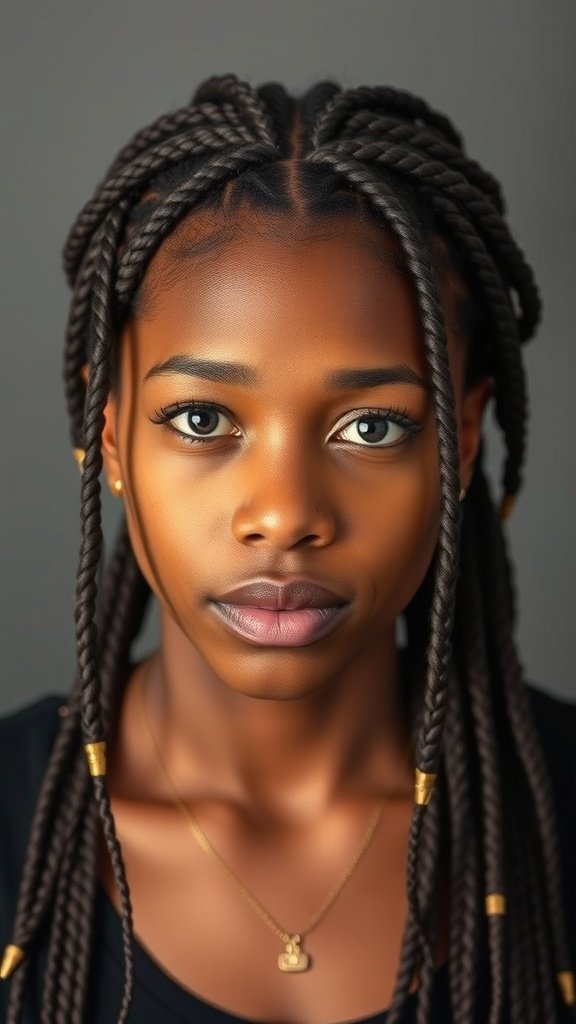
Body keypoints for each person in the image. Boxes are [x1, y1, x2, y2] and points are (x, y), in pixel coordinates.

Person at [0, 73, 574, 1024]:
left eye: (371, 429)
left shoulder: (553, 812)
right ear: (109, 440)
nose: (284, 514)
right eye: (201, 417)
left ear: (461, 446)